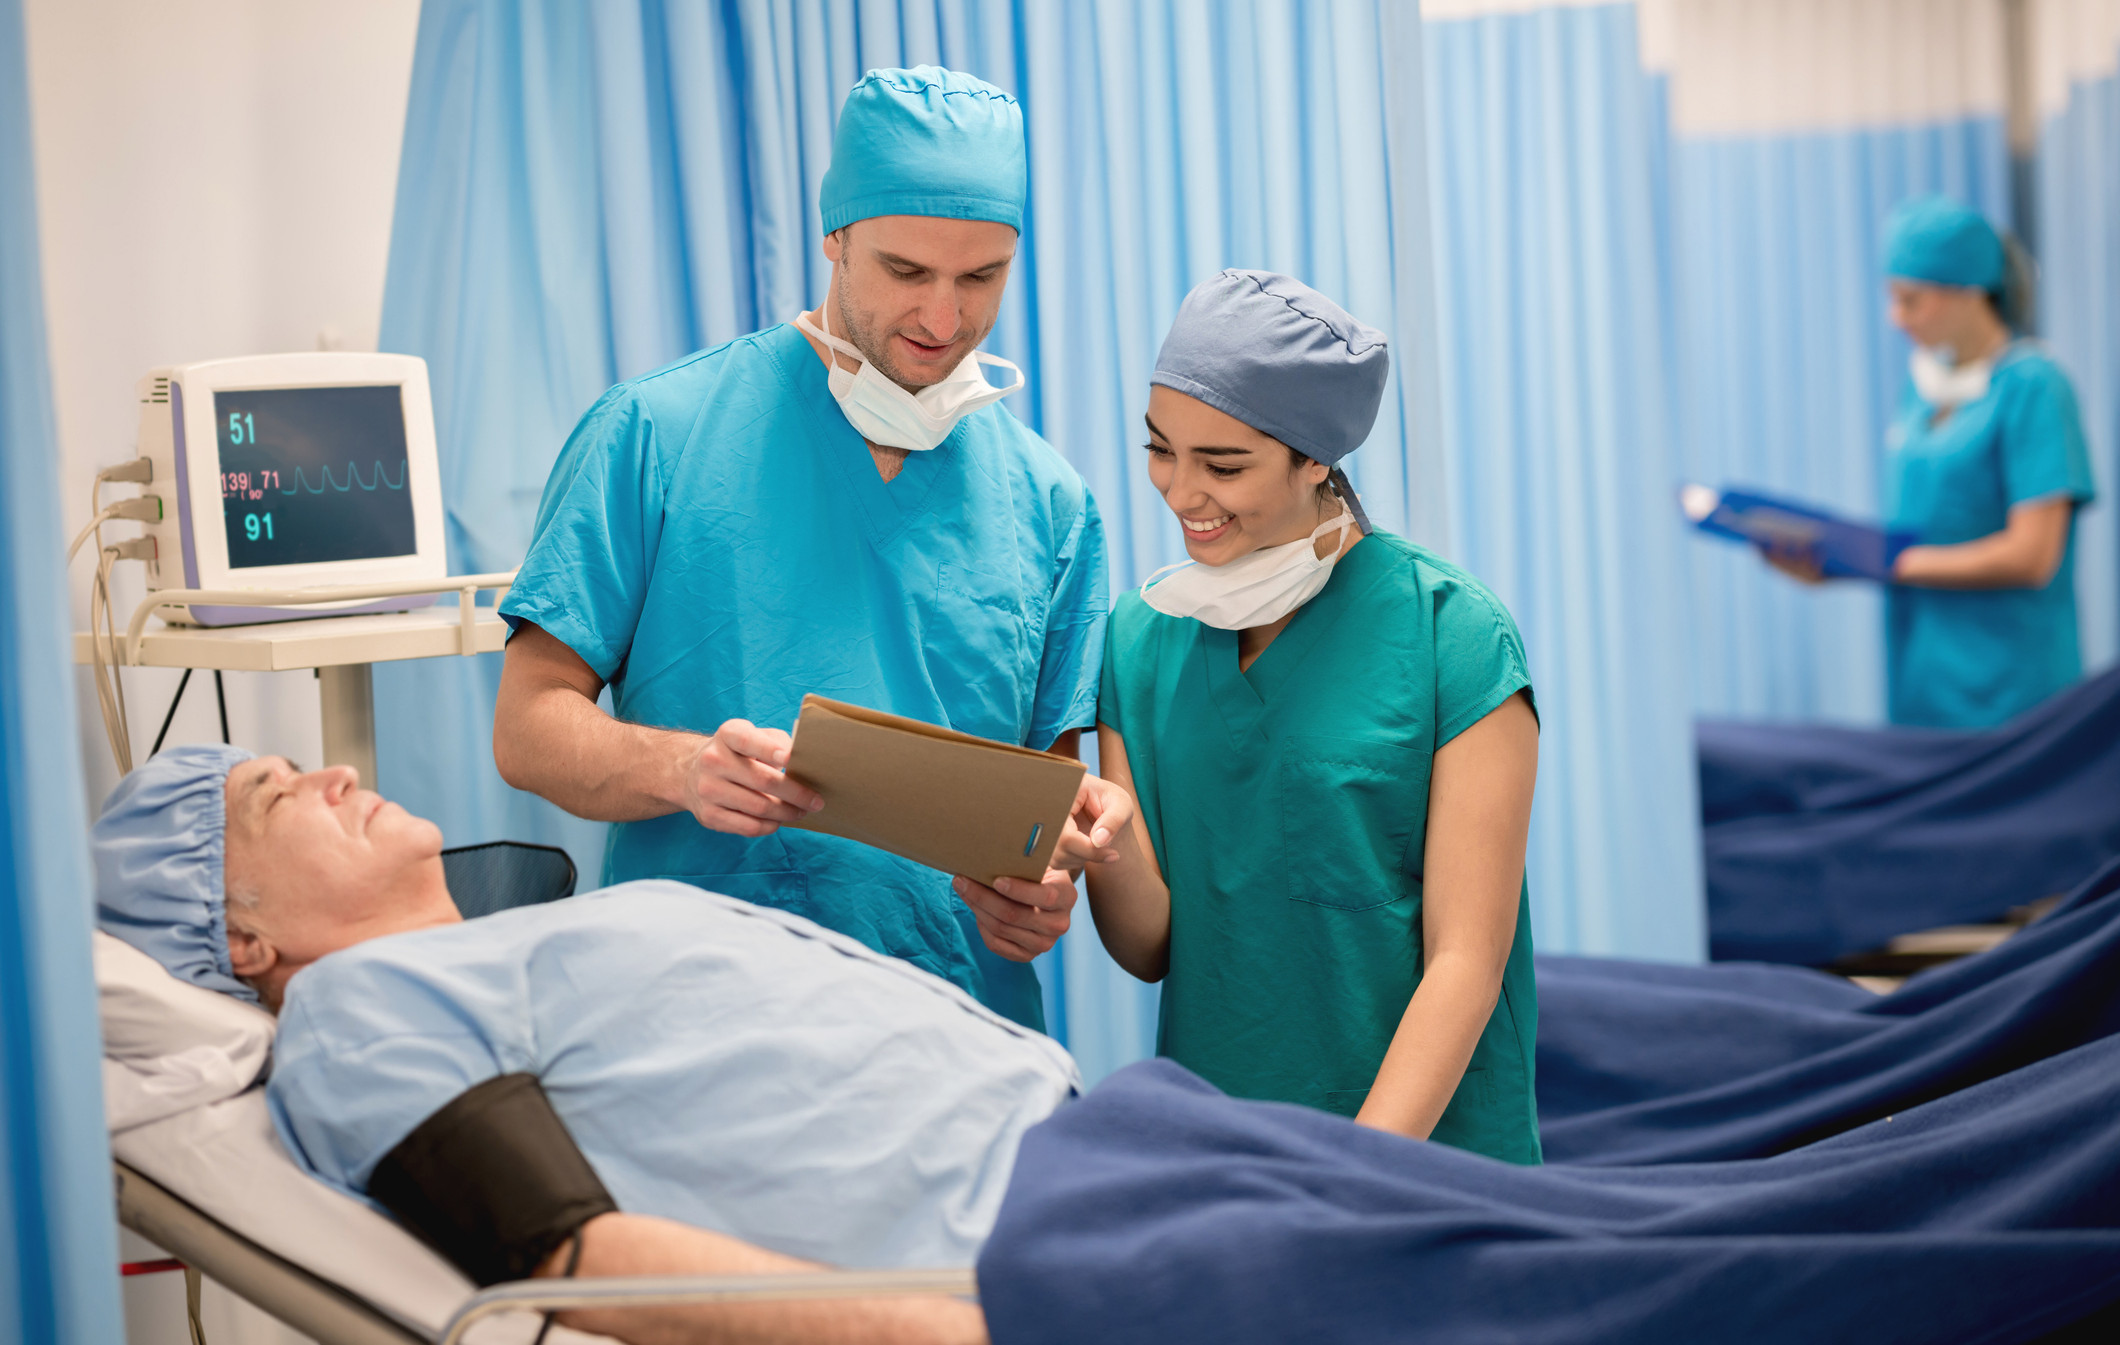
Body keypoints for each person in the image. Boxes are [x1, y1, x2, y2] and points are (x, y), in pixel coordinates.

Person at [490, 66, 1105, 1029]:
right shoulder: (655, 432)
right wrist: (684, 769)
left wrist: (1037, 898)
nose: (943, 321)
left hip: (959, 1039)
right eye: (906, 272)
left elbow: (1042, 813)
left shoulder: (1052, 504)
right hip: (705, 1025)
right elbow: (528, 731)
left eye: (979, 279)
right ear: (834, 236)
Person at [94, 745, 1074, 1345]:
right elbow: (578, 1257)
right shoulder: (357, 1010)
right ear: (239, 942)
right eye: (280, 795)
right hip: (1027, 1241)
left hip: (1095, 1142)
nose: (335, 773)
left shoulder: (484, 955)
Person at [955, 271, 1543, 1163]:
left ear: (1317, 458)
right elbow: (1150, 945)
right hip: (1220, 1150)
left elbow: (1465, 961)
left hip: (1428, 1161)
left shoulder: (1450, 634)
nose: (1181, 492)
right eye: (1161, 450)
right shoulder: (1142, 639)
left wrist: (1355, 1176)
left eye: (1224, 465)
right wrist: (1099, 833)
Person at [1772, 196, 2097, 728]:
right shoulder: (1921, 392)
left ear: (1969, 291)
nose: (1895, 318)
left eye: (1910, 300)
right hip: (1923, 678)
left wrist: (1886, 564)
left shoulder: (2034, 389)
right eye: (1890, 299)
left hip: (2011, 689)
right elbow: (1922, 535)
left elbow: (2034, 556)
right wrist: (1834, 561)